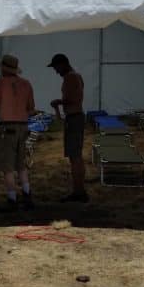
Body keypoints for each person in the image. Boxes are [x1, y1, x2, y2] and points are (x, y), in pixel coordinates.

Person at [0, 54, 36, 211]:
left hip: (7, 128)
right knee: (21, 164)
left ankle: (12, 199)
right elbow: (31, 108)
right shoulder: (26, 84)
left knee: (7, 166)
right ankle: (27, 195)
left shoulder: (1, 83)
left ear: (4, 69)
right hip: (23, 127)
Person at [48, 53, 87, 202]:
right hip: (75, 117)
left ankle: (79, 192)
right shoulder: (75, 76)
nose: (56, 71)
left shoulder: (71, 77)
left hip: (74, 118)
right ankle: (79, 190)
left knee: (75, 156)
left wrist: (59, 102)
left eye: (56, 67)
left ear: (63, 64)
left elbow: (74, 99)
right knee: (75, 156)